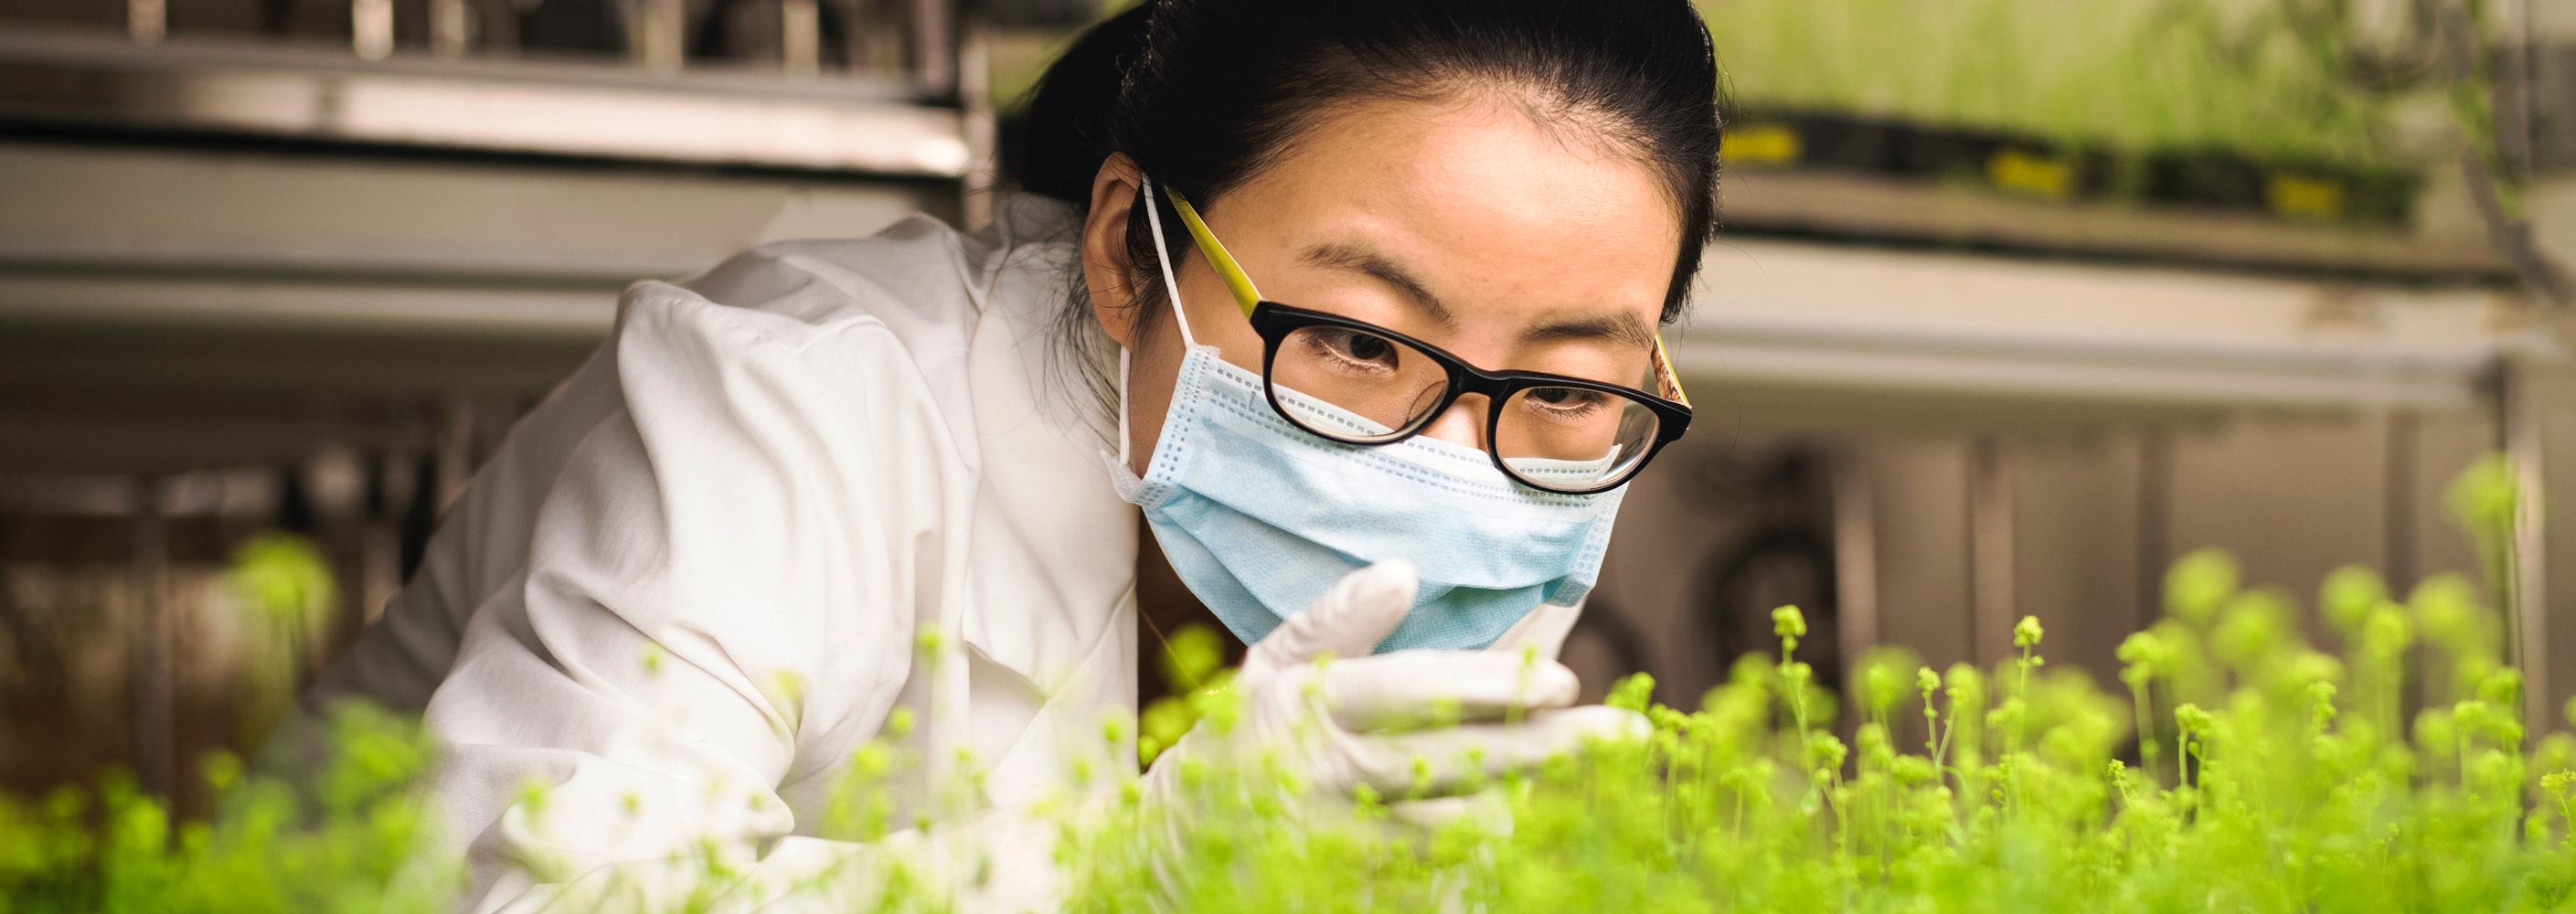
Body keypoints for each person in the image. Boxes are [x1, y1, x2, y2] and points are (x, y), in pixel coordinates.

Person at [284, 0, 1722, 907]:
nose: (1458, 466)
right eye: (1356, 341)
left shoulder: (1521, 535)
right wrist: (1116, 885)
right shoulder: (792, 409)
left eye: (1564, 383)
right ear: (1121, 252)